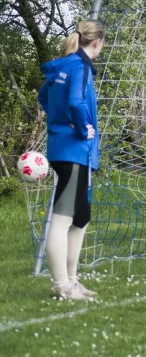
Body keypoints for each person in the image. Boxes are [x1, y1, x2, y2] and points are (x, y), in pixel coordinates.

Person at [37, 20, 105, 300]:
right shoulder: (80, 67)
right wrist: (78, 127)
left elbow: (44, 98)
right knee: (63, 219)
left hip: (68, 150)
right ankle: (62, 285)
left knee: (81, 218)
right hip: (74, 150)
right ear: (97, 43)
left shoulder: (63, 67)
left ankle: (73, 282)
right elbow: (76, 103)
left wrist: (60, 124)